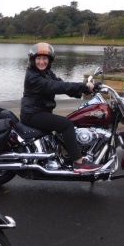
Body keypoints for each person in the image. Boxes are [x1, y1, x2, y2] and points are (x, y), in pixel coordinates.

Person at [20, 42, 100, 173]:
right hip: (32, 114)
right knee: (66, 124)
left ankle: (66, 153)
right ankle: (78, 163)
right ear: (33, 60)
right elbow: (54, 87)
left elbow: (60, 84)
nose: (42, 62)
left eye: (45, 59)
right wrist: (83, 86)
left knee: (71, 121)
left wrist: (85, 90)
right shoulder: (33, 77)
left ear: (49, 60)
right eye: (38, 58)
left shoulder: (46, 73)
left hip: (39, 111)